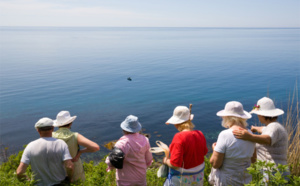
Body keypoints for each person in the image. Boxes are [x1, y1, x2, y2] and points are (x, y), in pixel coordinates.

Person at [233, 97, 288, 170]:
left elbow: (268, 139)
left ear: (262, 115)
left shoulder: (273, 126)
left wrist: (249, 136)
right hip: (275, 169)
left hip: (272, 171)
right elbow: (264, 129)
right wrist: (255, 128)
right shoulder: (275, 126)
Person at [209, 101, 256, 186]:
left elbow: (215, 164)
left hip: (227, 181)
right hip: (246, 180)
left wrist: (214, 151)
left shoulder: (225, 134)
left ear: (227, 117)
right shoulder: (250, 134)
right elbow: (253, 160)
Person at [16, 117, 74, 186]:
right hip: (60, 183)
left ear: (38, 130)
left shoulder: (30, 146)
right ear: (52, 128)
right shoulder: (61, 143)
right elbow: (70, 166)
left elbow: (19, 172)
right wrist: (70, 179)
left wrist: (28, 181)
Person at [163, 105, 208, 186]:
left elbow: (175, 165)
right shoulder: (200, 134)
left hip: (182, 180)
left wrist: (165, 160)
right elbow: (204, 152)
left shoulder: (179, 137)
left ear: (176, 123)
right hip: (198, 178)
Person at [52, 111, 100, 182]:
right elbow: (95, 147)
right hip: (74, 167)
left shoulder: (51, 136)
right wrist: (80, 152)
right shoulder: (75, 136)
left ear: (58, 124)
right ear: (70, 123)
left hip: (57, 169)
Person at [105, 115, 153, 186]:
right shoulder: (145, 140)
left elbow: (111, 161)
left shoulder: (122, 143)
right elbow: (149, 160)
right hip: (140, 177)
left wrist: (107, 161)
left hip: (125, 180)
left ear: (124, 129)